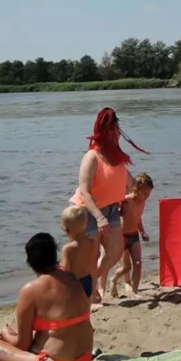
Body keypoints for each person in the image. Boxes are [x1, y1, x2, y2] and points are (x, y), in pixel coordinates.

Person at [0, 233, 94, 361]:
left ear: (30, 262)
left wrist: (5, 334)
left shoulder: (31, 290)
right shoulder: (72, 278)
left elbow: (23, 345)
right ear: (54, 255)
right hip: (83, 360)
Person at [71, 107, 146, 305]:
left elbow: (131, 183)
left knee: (115, 251)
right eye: (112, 131)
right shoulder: (92, 157)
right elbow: (85, 192)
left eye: (117, 130)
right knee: (92, 254)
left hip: (112, 209)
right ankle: (88, 291)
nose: (116, 135)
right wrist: (99, 217)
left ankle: (91, 284)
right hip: (88, 212)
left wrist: (142, 193)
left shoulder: (118, 159)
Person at [111, 174, 154, 297]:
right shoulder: (126, 200)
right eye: (145, 194)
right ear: (136, 189)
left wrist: (143, 232)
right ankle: (113, 280)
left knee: (138, 263)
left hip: (134, 235)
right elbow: (114, 210)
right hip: (122, 236)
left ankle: (135, 291)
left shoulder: (142, 203)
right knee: (126, 267)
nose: (146, 197)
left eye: (149, 194)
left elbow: (138, 218)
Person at [59, 205, 98, 302]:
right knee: (85, 310)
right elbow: (92, 261)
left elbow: (65, 270)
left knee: (72, 310)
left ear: (66, 229)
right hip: (87, 280)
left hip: (74, 283)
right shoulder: (91, 242)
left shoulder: (68, 248)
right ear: (86, 224)